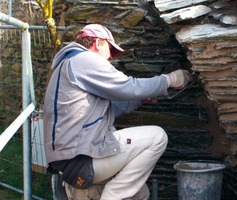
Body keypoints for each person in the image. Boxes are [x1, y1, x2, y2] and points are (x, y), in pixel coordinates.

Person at [43, 24, 191, 200]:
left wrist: (138, 100)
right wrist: (169, 79)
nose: (110, 58)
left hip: (73, 163)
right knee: (158, 137)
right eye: (110, 50)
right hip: (81, 161)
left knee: (140, 194)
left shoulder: (69, 65)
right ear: (98, 43)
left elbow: (104, 111)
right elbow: (128, 86)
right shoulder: (83, 60)